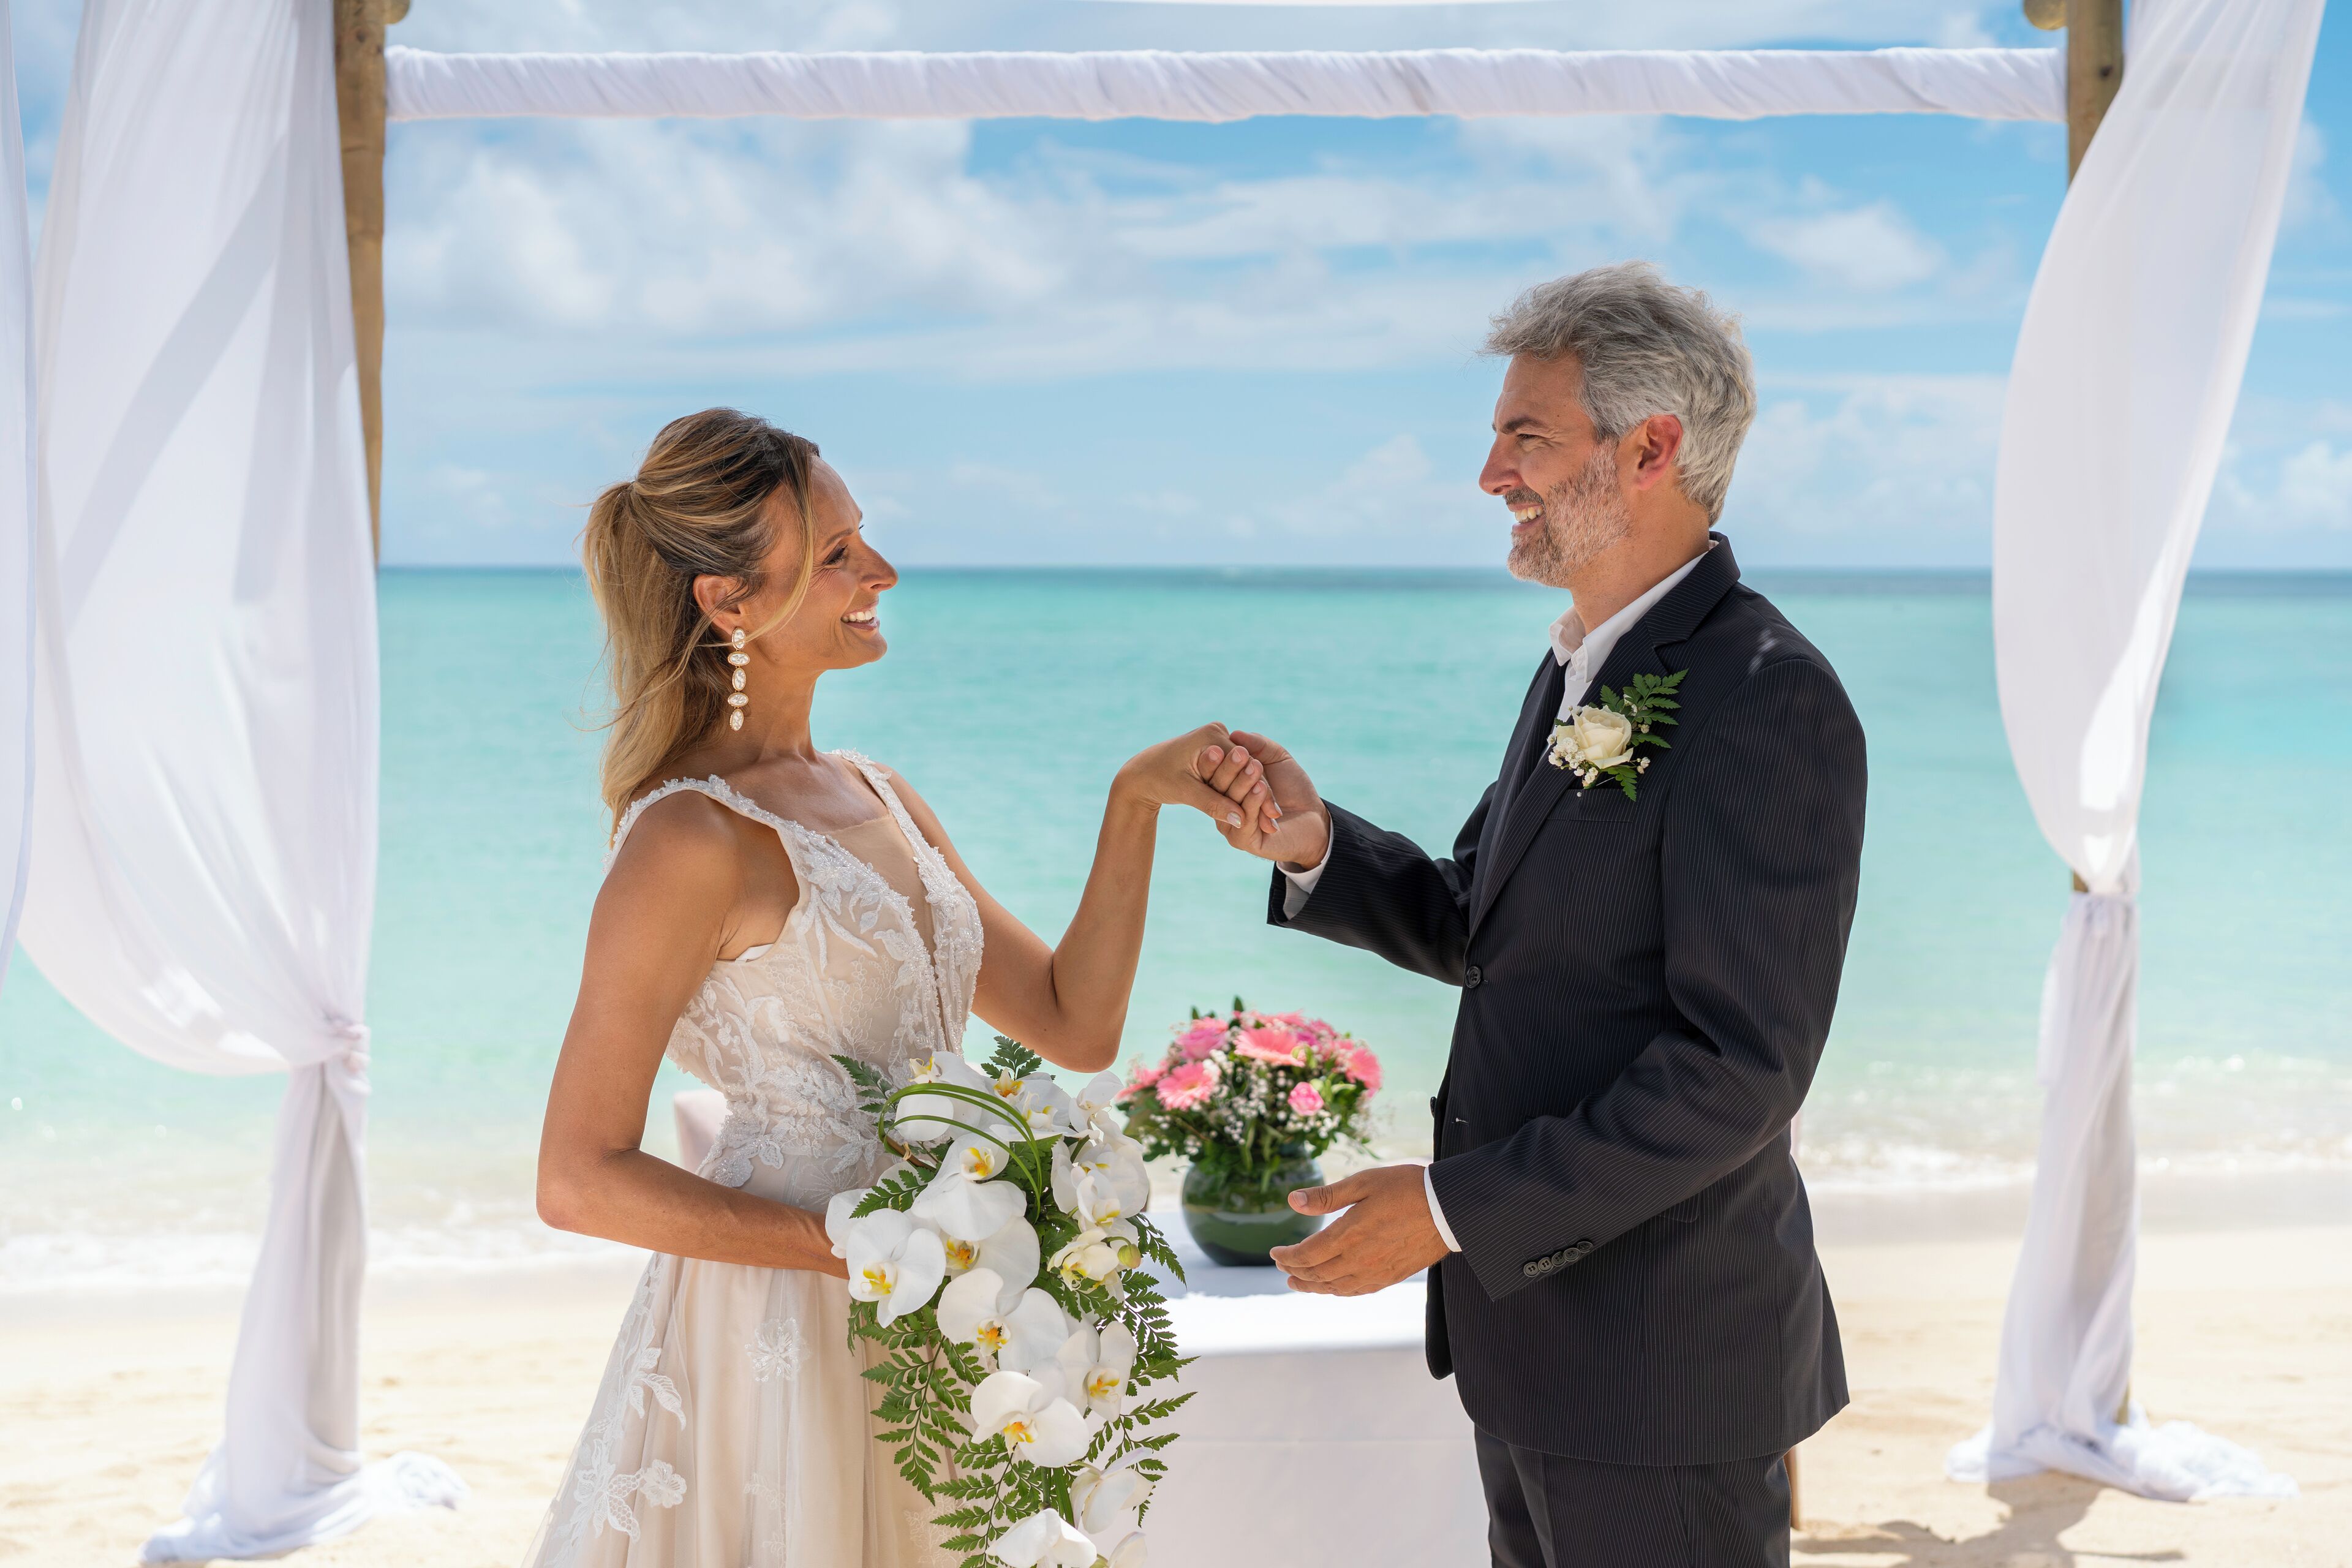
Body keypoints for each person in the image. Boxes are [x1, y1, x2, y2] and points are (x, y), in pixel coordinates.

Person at [1191, 262, 1867, 1568]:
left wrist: (1450, 1211)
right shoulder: (1584, 663)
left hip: (1661, 1370)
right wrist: (1313, 841)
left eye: (1526, 436)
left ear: (1651, 448)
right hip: (1540, 1351)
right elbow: (1481, 921)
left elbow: (1740, 1071)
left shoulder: (1767, 694)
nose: (1491, 474)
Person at [520, 409, 1253, 1566]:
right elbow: (578, 1178)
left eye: (866, 540)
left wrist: (1135, 803)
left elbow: (1073, 1022)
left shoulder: (883, 793)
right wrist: (857, 1246)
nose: (883, 573)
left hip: (951, 1307)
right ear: (729, 602)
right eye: (837, 556)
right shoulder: (687, 841)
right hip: (788, 1321)